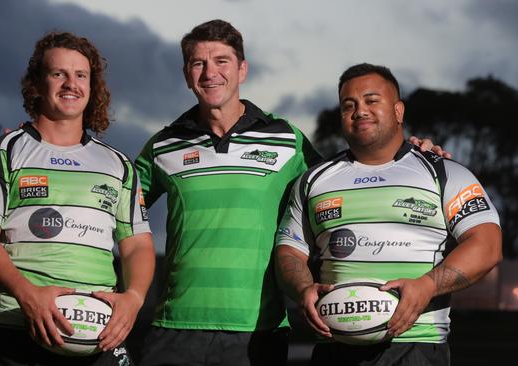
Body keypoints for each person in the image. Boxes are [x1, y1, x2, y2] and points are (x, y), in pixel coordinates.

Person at [135, 20, 445, 366]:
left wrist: (410, 152)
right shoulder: (164, 145)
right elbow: (114, 210)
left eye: (222, 61)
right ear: (186, 73)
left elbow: (343, 180)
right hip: (174, 328)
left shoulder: (287, 140)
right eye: (198, 63)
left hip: (259, 332)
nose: (210, 73)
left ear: (242, 69)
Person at [275, 63, 502, 365]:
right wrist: (303, 288)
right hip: (334, 348)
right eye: (348, 105)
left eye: (372, 100)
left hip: (416, 347)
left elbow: (487, 245)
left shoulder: (444, 173)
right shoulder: (313, 181)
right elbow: (289, 250)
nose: (360, 111)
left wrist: (427, 285)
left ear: (398, 111)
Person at [0, 32, 155, 366]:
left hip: (100, 334)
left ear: (92, 87)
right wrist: (28, 295)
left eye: (81, 75)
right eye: (58, 74)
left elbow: (137, 245)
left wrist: (134, 298)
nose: (71, 84)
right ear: (36, 84)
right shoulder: (1, 154)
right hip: (20, 329)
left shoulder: (119, 165)